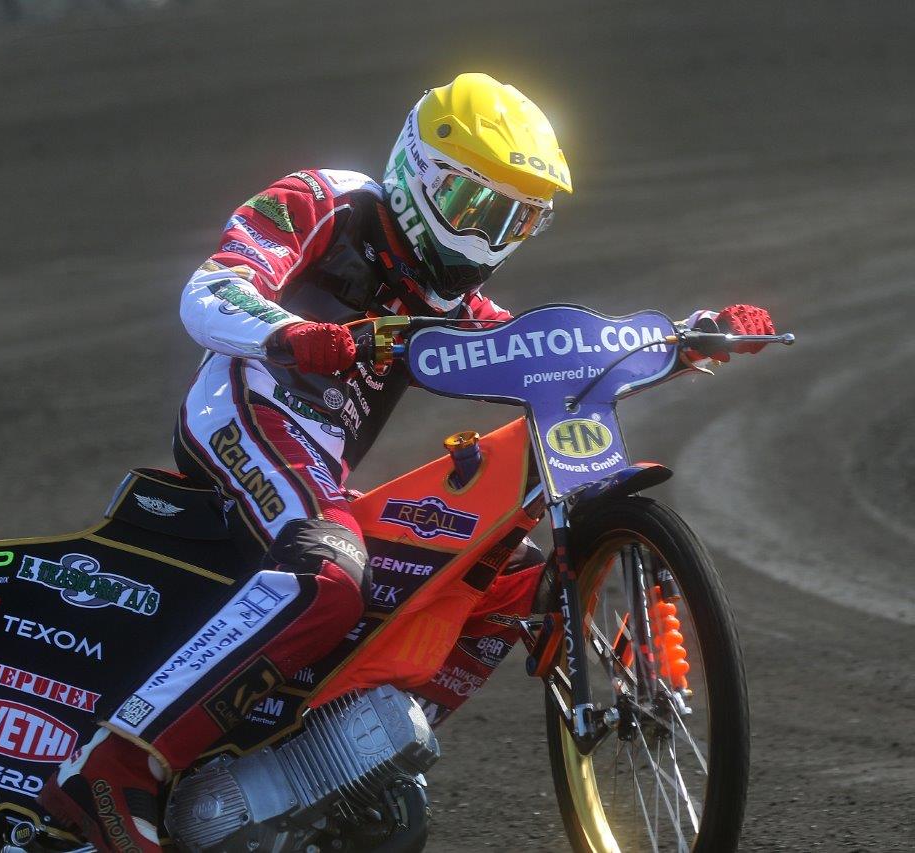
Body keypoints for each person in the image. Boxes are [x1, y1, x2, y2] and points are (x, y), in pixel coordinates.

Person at [38, 72, 775, 851]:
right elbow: (211, 288)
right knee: (330, 576)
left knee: (508, 579)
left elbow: (551, 358)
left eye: (516, 220)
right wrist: (291, 334)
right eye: (473, 205)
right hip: (245, 413)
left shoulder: (455, 306)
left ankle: (340, 769)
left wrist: (688, 339)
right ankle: (117, 762)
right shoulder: (326, 199)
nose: (487, 239)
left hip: (322, 466)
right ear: (418, 172)